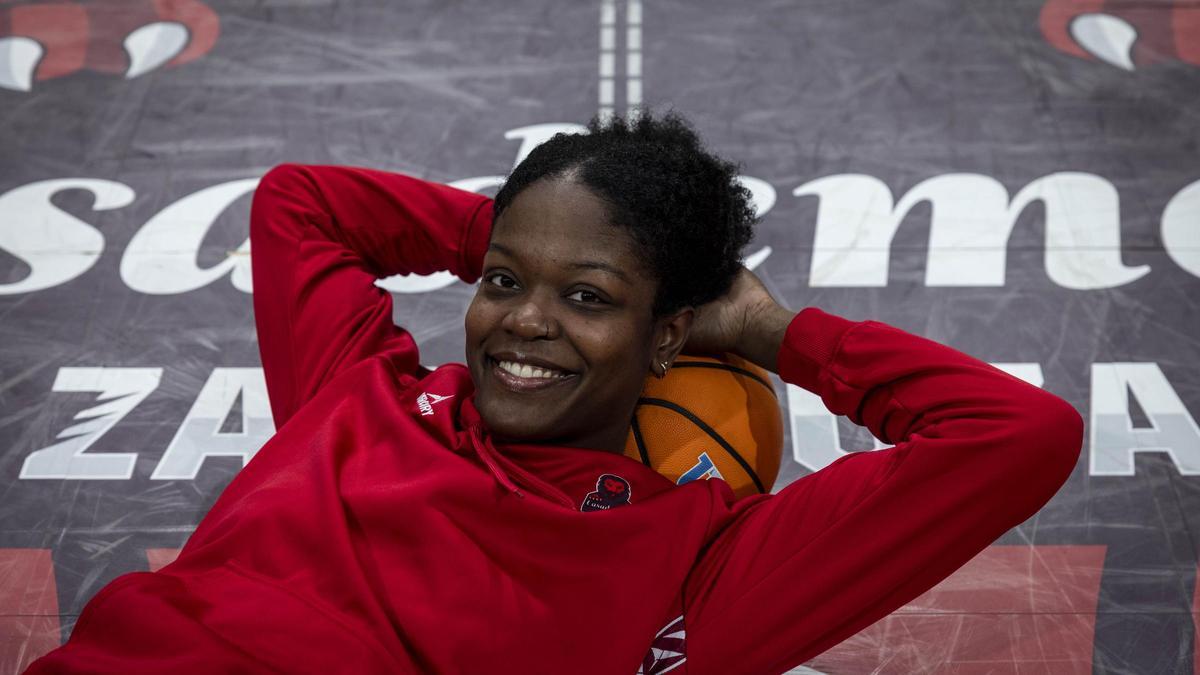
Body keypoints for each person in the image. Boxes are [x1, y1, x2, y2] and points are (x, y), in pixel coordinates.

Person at [27, 112, 1082, 674]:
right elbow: (301, 202)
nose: (524, 321)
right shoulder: (359, 393)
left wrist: (771, 330)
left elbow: (1017, 433)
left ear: (669, 333)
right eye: (502, 282)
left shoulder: (700, 573)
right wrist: (529, 236)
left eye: (587, 297)